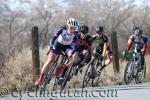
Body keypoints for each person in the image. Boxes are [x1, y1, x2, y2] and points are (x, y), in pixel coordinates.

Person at [35, 18, 78, 87]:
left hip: (67, 48)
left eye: (73, 28)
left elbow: (74, 46)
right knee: (51, 59)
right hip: (57, 45)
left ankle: (60, 68)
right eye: (70, 28)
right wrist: (51, 45)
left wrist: (71, 54)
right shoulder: (62, 29)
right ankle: (40, 78)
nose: (71, 29)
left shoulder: (75, 36)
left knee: (74, 56)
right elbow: (53, 38)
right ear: (67, 26)